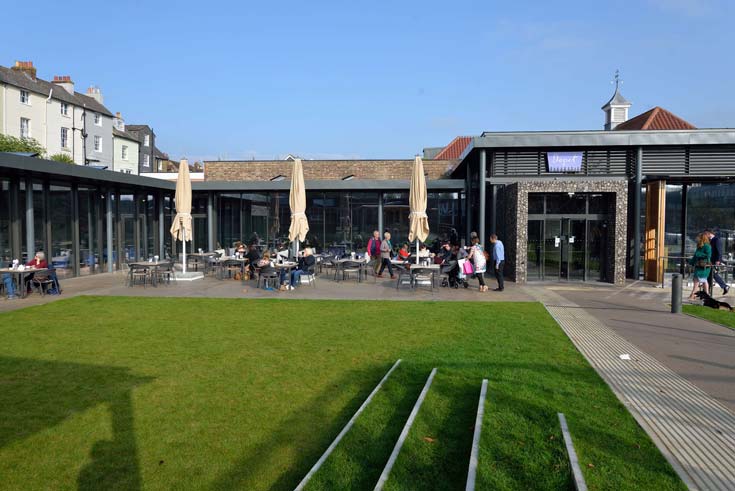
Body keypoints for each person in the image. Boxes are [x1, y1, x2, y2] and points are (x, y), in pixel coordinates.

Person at [705, 229, 730, 295]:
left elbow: (719, 251)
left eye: (706, 234)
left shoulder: (717, 240)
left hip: (714, 261)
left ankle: (724, 286)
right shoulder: (710, 240)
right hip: (711, 261)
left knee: (712, 274)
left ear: (709, 233)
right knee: (710, 275)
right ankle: (708, 291)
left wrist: (718, 260)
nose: (705, 235)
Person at [688, 233, 712, 300]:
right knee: (703, 281)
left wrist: (699, 254)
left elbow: (708, 255)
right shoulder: (699, 245)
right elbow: (695, 256)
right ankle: (706, 295)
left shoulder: (707, 246)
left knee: (697, 281)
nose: (697, 238)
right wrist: (691, 262)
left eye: (698, 237)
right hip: (698, 266)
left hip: (704, 266)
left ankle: (693, 295)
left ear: (702, 238)